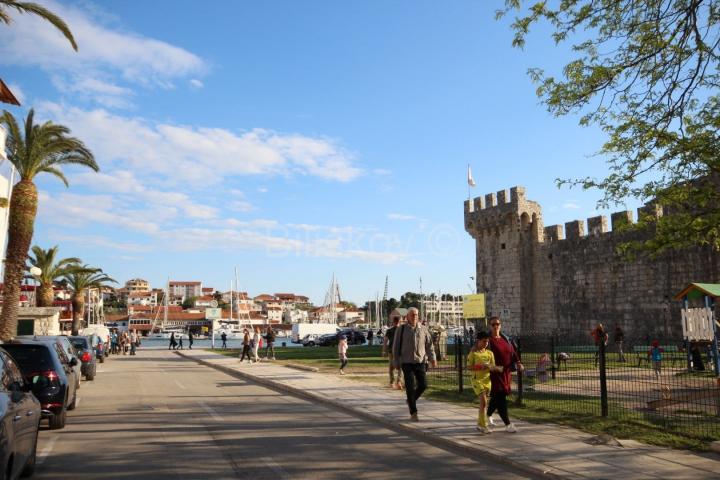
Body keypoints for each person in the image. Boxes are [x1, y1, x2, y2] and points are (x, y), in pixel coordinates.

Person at [392, 307, 437, 421]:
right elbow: (396, 347)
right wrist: (396, 361)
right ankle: (413, 412)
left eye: (416, 314)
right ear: (407, 316)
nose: (415, 316)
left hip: (420, 361)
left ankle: (410, 400)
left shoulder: (423, 329)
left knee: (423, 385)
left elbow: (429, 345)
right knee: (410, 387)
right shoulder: (401, 329)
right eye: (412, 314)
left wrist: (433, 358)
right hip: (407, 362)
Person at [485, 316, 522, 433]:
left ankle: (488, 414)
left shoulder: (505, 338)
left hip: (506, 372)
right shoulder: (488, 340)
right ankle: (508, 424)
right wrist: (491, 367)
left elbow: (513, 352)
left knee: (497, 396)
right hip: (495, 373)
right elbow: (481, 353)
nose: (496, 326)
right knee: (500, 397)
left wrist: (518, 362)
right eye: (493, 324)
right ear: (490, 326)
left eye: (497, 324)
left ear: (500, 325)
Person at [467, 331, 502, 434]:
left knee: (483, 404)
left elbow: (493, 367)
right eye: (484, 341)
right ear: (478, 341)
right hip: (477, 380)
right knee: (484, 402)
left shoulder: (490, 353)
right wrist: (480, 367)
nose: (486, 343)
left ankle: (479, 424)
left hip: (487, 381)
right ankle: (484, 426)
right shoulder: (473, 353)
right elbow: (468, 367)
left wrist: (500, 369)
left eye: (487, 341)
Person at [383, 317, 403, 389]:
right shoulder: (401, 330)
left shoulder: (390, 330)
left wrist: (384, 350)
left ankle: (393, 382)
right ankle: (398, 382)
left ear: (393, 322)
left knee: (392, 367)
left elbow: (385, 341)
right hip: (399, 351)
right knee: (400, 367)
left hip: (393, 351)